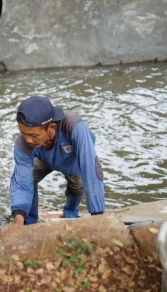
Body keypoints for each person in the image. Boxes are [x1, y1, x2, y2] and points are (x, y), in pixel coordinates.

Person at [9, 96, 105, 226]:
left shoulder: (73, 126)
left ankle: (71, 212)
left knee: (77, 186)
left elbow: (90, 168)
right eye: (23, 133)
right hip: (44, 158)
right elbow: (21, 182)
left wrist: (97, 216)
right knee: (30, 179)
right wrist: (18, 221)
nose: (28, 140)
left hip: (73, 159)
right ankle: (29, 222)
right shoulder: (23, 144)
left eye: (33, 135)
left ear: (51, 127)